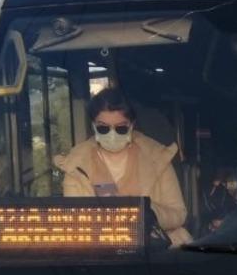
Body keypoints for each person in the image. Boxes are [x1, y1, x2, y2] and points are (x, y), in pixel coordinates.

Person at [55, 88, 192, 245]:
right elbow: (75, 223)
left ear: (132, 125)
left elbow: (179, 214)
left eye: (120, 128)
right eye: (103, 128)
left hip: (153, 256)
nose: (112, 134)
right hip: (99, 257)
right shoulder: (76, 166)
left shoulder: (157, 158)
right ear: (93, 125)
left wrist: (149, 213)